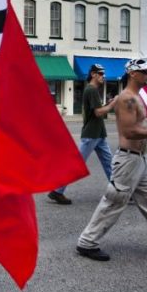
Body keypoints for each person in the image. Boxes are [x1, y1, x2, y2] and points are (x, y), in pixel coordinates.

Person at [75, 58, 147, 261]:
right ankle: (87, 242)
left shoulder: (136, 98)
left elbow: (140, 130)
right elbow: (128, 132)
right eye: (144, 72)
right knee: (114, 202)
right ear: (133, 74)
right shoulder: (127, 98)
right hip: (128, 161)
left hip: (139, 160)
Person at [48, 63, 117, 205]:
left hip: (98, 134)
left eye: (103, 74)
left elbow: (96, 110)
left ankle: (119, 192)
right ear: (93, 74)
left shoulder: (92, 90)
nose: (103, 76)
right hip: (92, 134)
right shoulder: (91, 90)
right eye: (100, 74)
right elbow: (98, 112)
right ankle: (57, 191)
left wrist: (107, 104)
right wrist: (113, 104)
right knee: (77, 164)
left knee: (110, 164)